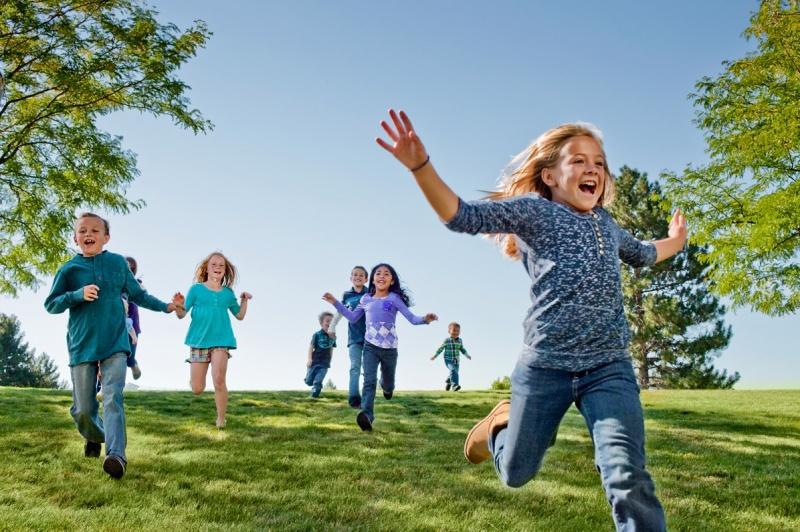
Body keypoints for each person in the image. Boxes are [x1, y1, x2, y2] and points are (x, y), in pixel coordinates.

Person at [376, 109, 687, 531]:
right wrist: (421, 167)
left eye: (598, 163)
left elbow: (647, 254)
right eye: (578, 161)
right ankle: (497, 429)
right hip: (545, 367)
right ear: (550, 176)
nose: (592, 169)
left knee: (626, 474)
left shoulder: (608, 225)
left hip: (608, 368)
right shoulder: (535, 214)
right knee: (516, 473)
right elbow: (461, 216)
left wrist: (676, 241)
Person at [44, 212, 179, 479]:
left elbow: (138, 295)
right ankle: (97, 435)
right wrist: (77, 295)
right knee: (82, 410)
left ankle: (116, 456)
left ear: (106, 237)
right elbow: (51, 304)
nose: (88, 234)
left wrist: (167, 306)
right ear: (75, 238)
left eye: (95, 230)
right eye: (82, 231)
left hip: (115, 343)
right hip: (82, 344)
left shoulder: (117, 263)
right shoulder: (69, 270)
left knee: (112, 398)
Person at [323, 263, 437, 432]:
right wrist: (336, 303)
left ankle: (387, 387)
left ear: (391, 281)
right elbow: (353, 318)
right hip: (370, 347)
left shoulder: (394, 299)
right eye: (378, 273)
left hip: (390, 349)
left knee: (388, 383)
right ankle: (367, 415)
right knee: (368, 381)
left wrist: (425, 319)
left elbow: (412, 319)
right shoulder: (366, 299)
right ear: (373, 279)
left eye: (386, 274)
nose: (381, 276)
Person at [174, 252, 252, 429]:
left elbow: (239, 315)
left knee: (219, 379)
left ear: (225, 271)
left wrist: (244, 300)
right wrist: (178, 305)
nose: (217, 268)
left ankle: (221, 419)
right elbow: (181, 314)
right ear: (207, 268)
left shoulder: (227, 293)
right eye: (214, 265)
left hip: (221, 340)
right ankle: (195, 380)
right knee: (197, 388)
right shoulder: (196, 290)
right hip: (198, 341)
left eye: (221, 265)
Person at [327, 265, 369, 408]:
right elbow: (340, 311)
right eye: (355, 275)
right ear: (351, 278)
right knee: (355, 367)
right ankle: (354, 399)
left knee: (369, 369)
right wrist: (332, 326)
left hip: (372, 337)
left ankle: (368, 398)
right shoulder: (347, 295)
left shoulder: (371, 293)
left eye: (361, 275)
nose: (357, 277)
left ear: (366, 279)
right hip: (354, 338)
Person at [431, 322, 471, 391]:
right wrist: (435, 355)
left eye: (458, 331)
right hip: (448, 359)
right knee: (453, 370)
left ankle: (449, 380)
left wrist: (467, 355)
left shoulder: (460, 340)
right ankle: (455, 385)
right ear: (449, 331)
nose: (456, 332)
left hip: (456, 360)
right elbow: (441, 348)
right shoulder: (447, 340)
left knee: (454, 372)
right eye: (454, 330)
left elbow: (462, 349)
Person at [305, 311, 336, 398]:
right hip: (314, 361)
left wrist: (330, 360)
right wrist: (309, 359)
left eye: (331, 321)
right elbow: (311, 347)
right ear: (321, 323)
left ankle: (314, 394)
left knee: (318, 380)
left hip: (324, 363)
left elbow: (331, 349)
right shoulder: (317, 335)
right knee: (308, 381)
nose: (329, 323)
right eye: (327, 321)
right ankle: (308, 378)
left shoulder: (333, 337)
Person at [124, 256, 143, 380]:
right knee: (115, 356)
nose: (129, 269)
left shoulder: (136, 285)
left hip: (133, 325)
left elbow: (143, 293)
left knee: (130, 356)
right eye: (127, 267)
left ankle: (133, 364)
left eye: (132, 268)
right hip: (118, 324)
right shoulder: (116, 283)